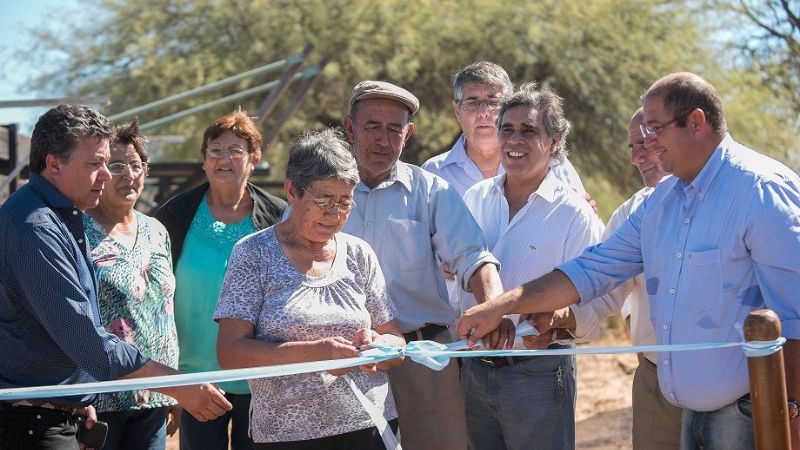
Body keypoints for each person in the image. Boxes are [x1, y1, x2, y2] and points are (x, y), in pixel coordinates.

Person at [457, 72, 800, 450]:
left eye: (654, 129)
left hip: (750, 416)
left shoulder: (760, 190)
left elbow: (795, 315)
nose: (647, 145)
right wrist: (502, 306)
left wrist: (792, 415)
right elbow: (592, 269)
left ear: (697, 123)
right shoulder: (661, 201)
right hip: (689, 415)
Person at [0, 105, 231, 450]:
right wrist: (178, 385)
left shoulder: (59, 218)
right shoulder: (35, 227)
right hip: (31, 425)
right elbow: (85, 338)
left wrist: (77, 398)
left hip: (60, 413)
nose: (106, 175)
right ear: (54, 164)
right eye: (95, 164)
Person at [341, 80, 509, 450]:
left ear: (409, 134)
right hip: (342, 361)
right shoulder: (321, 192)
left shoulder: (431, 191)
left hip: (423, 357)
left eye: (394, 129)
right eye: (372, 127)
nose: (383, 140)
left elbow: (475, 257)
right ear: (350, 128)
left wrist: (493, 309)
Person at [214, 128, 405, 449]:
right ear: (292, 191)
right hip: (287, 435)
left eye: (346, 201)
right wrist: (317, 353)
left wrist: (380, 346)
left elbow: (395, 340)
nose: (336, 214)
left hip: (369, 424)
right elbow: (230, 353)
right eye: (324, 200)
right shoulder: (253, 253)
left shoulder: (358, 253)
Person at [460, 84, 604, 450]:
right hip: (474, 371)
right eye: (507, 129)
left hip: (539, 376)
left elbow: (597, 305)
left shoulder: (575, 215)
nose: (514, 140)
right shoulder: (474, 199)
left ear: (554, 142)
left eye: (529, 131)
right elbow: (455, 279)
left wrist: (557, 319)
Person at [534, 108, 681, 449]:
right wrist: (559, 320)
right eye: (632, 147)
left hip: (733, 383)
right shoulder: (631, 214)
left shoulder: (734, 198)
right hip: (655, 380)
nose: (637, 158)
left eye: (645, 143)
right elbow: (603, 289)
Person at [155, 110, 286, 450]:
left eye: (235, 150)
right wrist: (170, 381)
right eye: (215, 150)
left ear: (255, 158)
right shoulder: (175, 214)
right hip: (195, 378)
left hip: (258, 375)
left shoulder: (278, 216)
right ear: (203, 160)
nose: (224, 159)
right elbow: (155, 296)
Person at [82, 120, 181, 450]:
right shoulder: (76, 231)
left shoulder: (158, 231)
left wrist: (176, 387)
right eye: (116, 165)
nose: (128, 174)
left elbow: (166, 314)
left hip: (153, 396)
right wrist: (78, 395)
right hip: (101, 399)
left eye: (136, 165)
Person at [422, 61, 586, 196]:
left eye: (493, 102)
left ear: (509, 108)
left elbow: (581, 219)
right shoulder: (433, 173)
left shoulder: (551, 163)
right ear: (457, 111)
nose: (484, 112)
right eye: (472, 103)